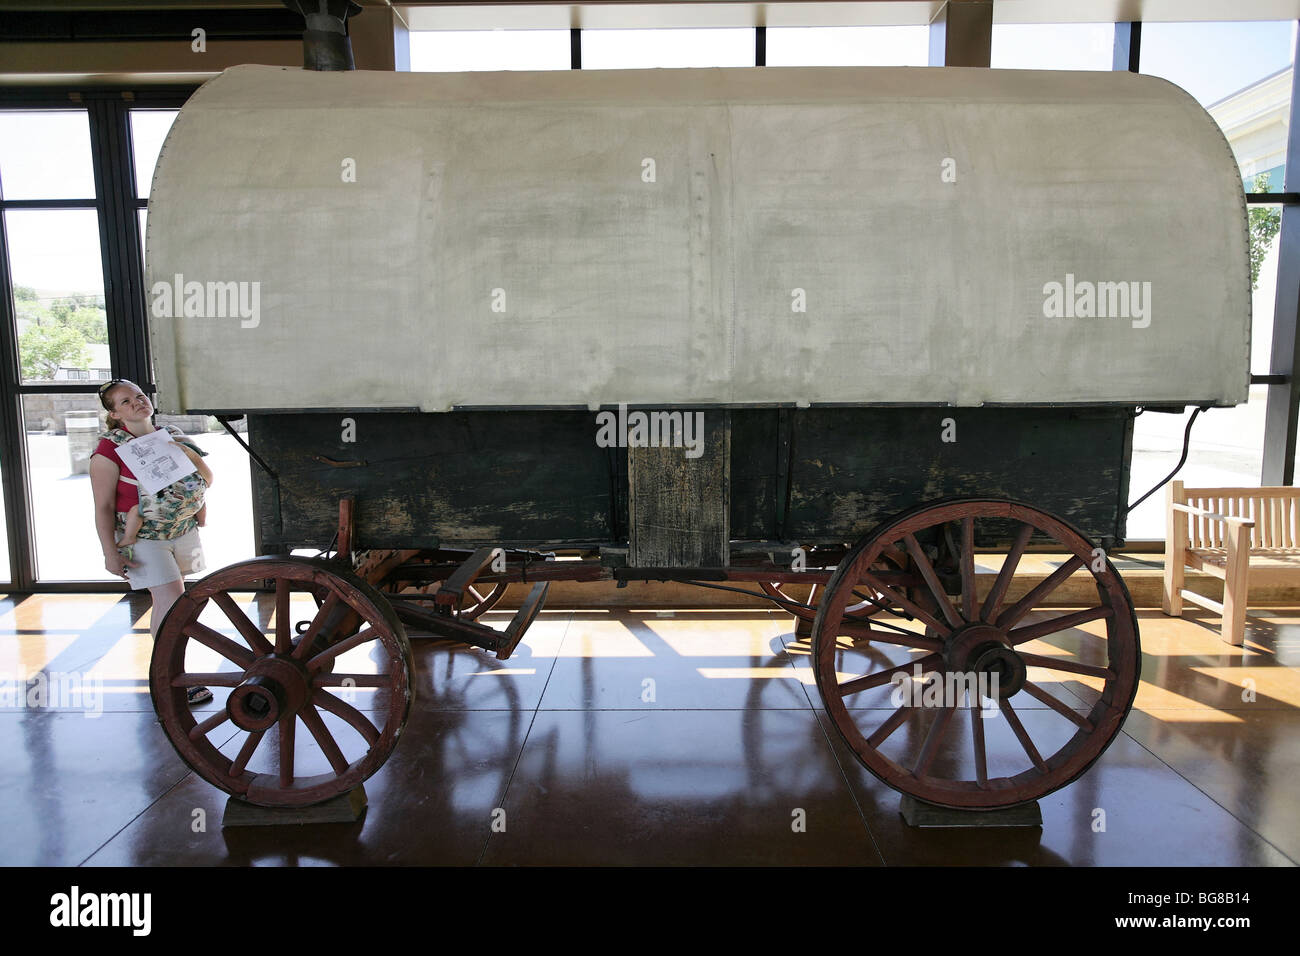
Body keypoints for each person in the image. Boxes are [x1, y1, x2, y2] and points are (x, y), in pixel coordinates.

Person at [89, 379, 214, 704]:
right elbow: (102, 506)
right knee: (172, 601)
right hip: (142, 537)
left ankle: (167, 670)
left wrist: (200, 509)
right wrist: (109, 553)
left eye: (140, 397)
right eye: (126, 401)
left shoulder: (170, 436)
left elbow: (196, 479)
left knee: (173, 601)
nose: (137, 403)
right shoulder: (107, 452)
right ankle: (171, 677)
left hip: (181, 530)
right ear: (115, 414)